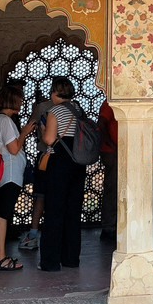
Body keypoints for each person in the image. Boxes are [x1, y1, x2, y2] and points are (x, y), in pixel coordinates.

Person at [39, 76, 88, 272]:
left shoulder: (55, 110)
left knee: (54, 210)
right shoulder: (78, 109)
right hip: (78, 161)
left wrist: (43, 129)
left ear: (54, 92)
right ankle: (71, 258)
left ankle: (50, 262)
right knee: (73, 211)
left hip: (59, 161)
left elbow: (50, 139)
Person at [0, 85, 37, 270]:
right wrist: (24, 133)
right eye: (21, 100)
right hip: (10, 173)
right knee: (3, 214)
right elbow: (14, 148)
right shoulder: (5, 121)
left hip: (6, 173)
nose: (22, 103)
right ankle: (1, 258)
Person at [18, 89, 52, 252]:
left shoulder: (42, 107)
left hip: (45, 156)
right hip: (67, 158)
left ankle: (33, 234)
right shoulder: (73, 107)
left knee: (40, 195)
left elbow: (30, 127)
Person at [97, 98, 118, 243]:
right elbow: (101, 123)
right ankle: (109, 226)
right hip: (113, 150)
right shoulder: (109, 102)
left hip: (120, 149)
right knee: (113, 188)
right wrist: (109, 141)